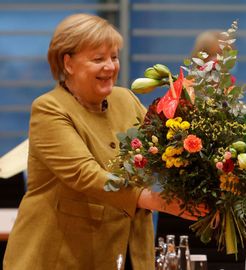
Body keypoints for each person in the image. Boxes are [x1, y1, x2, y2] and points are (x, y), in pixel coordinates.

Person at [3, 13, 202, 270]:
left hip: (130, 252)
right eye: (98, 59)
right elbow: (85, 174)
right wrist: (153, 199)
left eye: (114, 57)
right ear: (68, 63)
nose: (110, 66)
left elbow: (166, 148)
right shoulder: (49, 109)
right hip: (61, 256)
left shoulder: (126, 99)